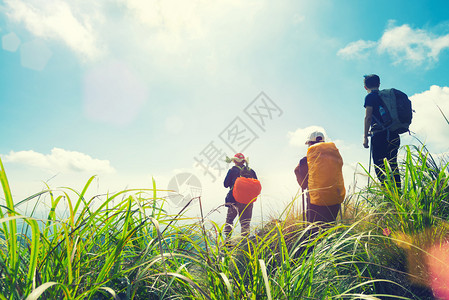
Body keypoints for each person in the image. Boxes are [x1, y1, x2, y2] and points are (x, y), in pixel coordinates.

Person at [294, 131, 342, 224]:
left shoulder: (306, 160)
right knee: (329, 227)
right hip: (334, 199)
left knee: (314, 231)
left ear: (311, 144)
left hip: (315, 202)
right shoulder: (335, 158)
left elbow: (303, 183)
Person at [363, 74, 401, 188]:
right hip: (394, 134)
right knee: (393, 165)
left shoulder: (370, 97)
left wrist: (365, 136)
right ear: (379, 84)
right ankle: (399, 194)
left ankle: (388, 195)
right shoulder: (387, 97)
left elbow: (368, 117)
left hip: (379, 136)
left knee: (380, 166)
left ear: (365, 87)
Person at [223, 153, 257, 239]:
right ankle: (244, 241)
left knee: (229, 220)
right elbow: (256, 183)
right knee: (245, 222)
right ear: (243, 161)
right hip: (248, 200)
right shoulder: (251, 171)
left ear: (234, 161)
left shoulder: (232, 170)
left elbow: (225, 184)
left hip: (233, 199)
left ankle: (227, 240)